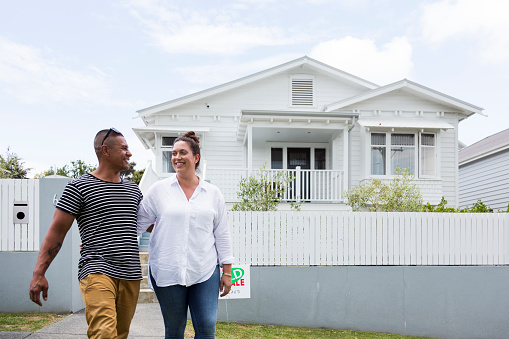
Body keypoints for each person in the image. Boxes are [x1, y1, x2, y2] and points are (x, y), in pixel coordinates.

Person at [29, 128, 143, 339]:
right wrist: (39, 273)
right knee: (104, 333)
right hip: (97, 269)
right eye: (124, 148)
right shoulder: (79, 187)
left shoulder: (133, 190)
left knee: (120, 334)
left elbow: (151, 224)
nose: (130, 153)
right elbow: (56, 232)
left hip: (130, 273)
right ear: (105, 150)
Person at [137, 131, 234, 339]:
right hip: (167, 269)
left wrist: (227, 271)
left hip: (204, 270)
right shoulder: (158, 190)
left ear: (196, 157)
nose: (177, 158)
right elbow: (137, 222)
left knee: (207, 327)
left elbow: (222, 233)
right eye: (173, 153)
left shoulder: (213, 193)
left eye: (183, 153)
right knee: (174, 328)